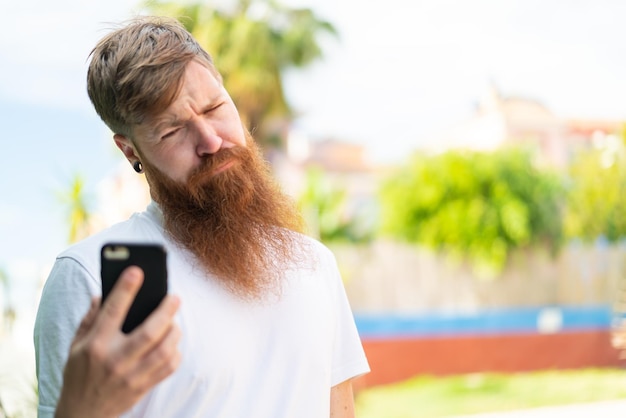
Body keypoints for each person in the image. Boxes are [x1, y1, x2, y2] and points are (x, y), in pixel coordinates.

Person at [34, 15, 369, 418]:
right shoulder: (87, 276)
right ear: (130, 151)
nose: (211, 141)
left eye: (214, 107)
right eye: (172, 130)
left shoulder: (314, 263)